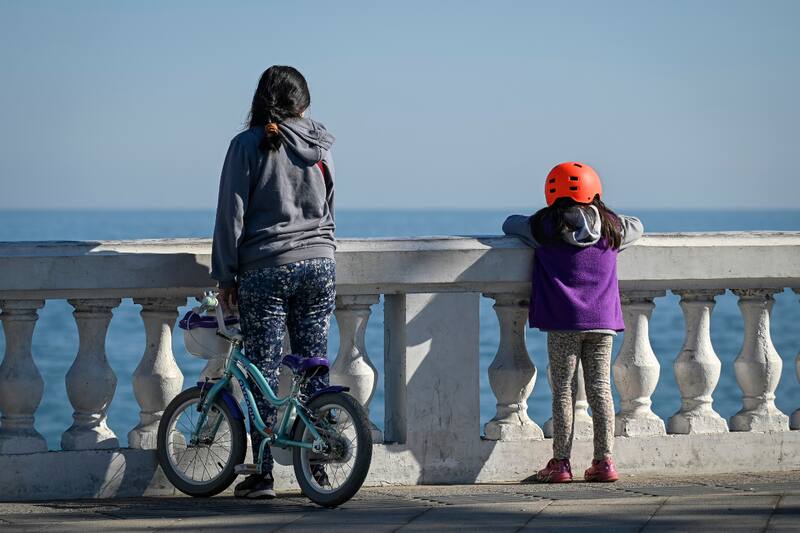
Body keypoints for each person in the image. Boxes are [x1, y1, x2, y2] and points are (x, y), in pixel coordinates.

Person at [211, 65, 336, 498]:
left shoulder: (247, 145)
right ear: (303, 104)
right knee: (312, 365)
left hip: (266, 268)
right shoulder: (321, 144)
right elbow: (331, 205)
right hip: (320, 263)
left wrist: (224, 274)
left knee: (262, 368)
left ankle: (262, 473)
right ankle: (317, 468)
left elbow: (231, 215)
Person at [502, 162, 643, 483]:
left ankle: (561, 464)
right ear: (595, 191)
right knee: (600, 390)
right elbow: (639, 225)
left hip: (563, 320)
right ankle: (604, 462)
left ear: (552, 192)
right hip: (603, 320)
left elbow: (510, 224)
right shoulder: (612, 228)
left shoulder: (544, 228)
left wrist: (541, 218)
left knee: (563, 391)